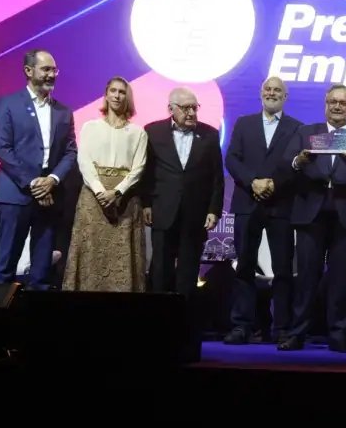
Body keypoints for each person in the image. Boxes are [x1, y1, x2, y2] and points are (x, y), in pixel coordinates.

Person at [278, 84, 346, 353]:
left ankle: (338, 335)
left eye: (343, 103)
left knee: (341, 279)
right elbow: (286, 165)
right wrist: (299, 160)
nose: (337, 107)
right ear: (325, 104)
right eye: (333, 101)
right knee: (306, 277)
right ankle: (297, 333)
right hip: (311, 214)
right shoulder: (306, 133)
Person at [223, 76, 302, 345]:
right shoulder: (244, 123)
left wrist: (273, 184)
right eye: (268, 89)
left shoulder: (296, 127)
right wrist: (252, 182)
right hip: (247, 202)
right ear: (260, 93)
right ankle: (241, 326)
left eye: (277, 90)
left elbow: (295, 165)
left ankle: (282, 328)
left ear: (285, 97)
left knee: (283, 270)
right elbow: (232, 158)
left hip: (281, 206)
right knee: (244, 267)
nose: (272, 93)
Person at [0, 49, 77, 290]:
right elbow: (3, 148)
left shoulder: (64, 112)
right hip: (16, 196)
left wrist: (52, 180)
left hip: (50, 198)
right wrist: (34, 183)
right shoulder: (9, 104)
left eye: (54, 70)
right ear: (28, 71)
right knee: (6, 266)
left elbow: (71, 152)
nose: (52, 74)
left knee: (41, 273)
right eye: (46, 69)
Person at [62, 76, 147, 292]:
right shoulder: (90, 127)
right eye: (113, 91)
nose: (117, 96)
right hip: (93, 197)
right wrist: (101, 191)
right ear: (106, 95)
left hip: (124, 200)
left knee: (122, 256)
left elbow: (138, 168)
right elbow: (84, 161)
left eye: (122, 92)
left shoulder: (138, 132)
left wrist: (117, 192)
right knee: (91, 251)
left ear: (127, 97)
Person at [142, 87, 224, 298]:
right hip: (163, 210)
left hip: (195, 214)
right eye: (186, 108)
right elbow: (146, 172)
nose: (192, 113)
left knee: (188, 272)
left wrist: (214, 210)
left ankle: (184, 315)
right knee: (160, 269)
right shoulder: (152, 132)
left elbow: (217, 177)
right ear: (171, 109)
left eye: (195, 108)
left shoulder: (210, 135)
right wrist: (146, 203)